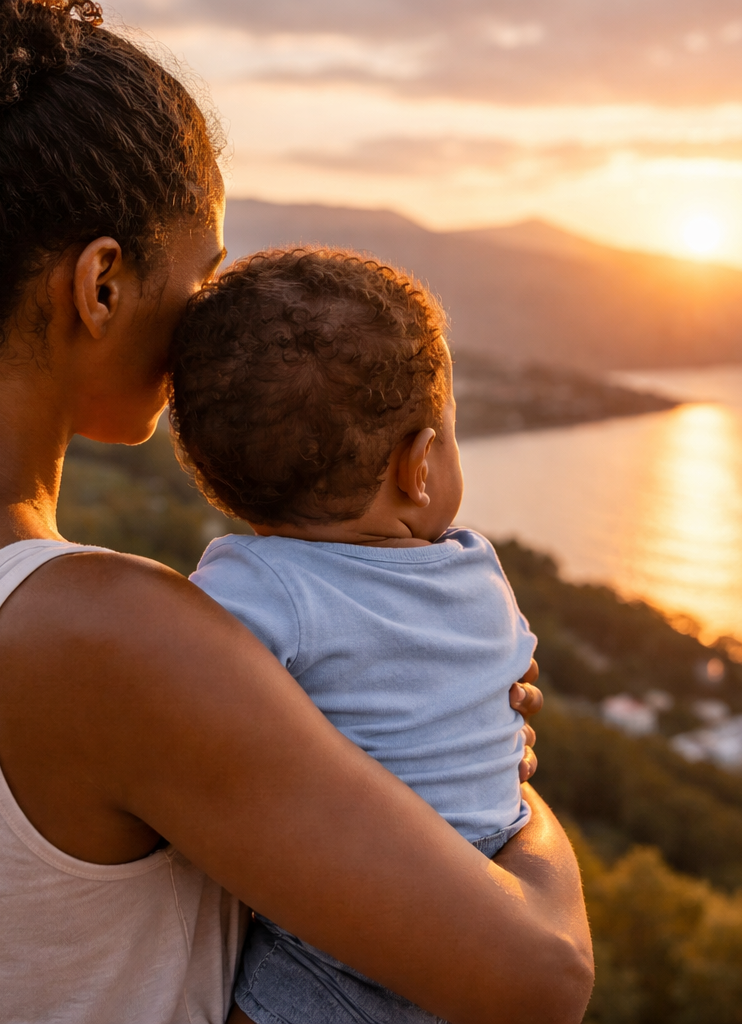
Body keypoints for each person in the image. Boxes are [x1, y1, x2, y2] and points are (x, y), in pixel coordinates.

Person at [0, 2, 593, 1023]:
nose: (212, 319)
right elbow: (543, 978)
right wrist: (504, 785)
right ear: (102, 284)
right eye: (203, 277)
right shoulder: (111, 633)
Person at [171, 248, 542, 1024]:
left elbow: (173, 675)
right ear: (419, 469)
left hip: (335, 963)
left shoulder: (258, 587)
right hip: (494, 891)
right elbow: (511, 694)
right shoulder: (477, 569)